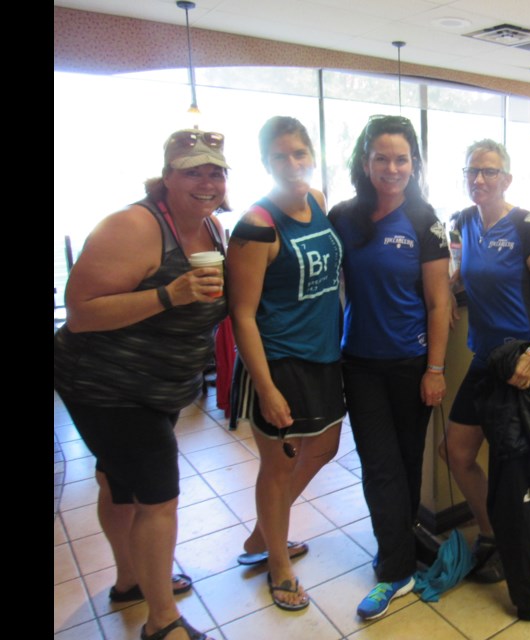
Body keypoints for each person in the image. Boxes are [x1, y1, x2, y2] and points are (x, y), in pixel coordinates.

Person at [53, 130, 229, 640]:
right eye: (192, 170)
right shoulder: (133, 225)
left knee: (120, 483)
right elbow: (81, 313)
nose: (206, 181)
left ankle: (131, 582)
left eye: (215, 171)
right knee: (159, 498)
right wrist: (168, 296)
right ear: (167, 176)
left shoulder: (211, 228)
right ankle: (161, 622)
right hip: (107, 385)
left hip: (161, 384)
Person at [328, 115, 450, 621]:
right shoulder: (343, 216)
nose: (392, 167)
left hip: (411, 364)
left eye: (401, 158)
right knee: (379, 467)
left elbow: (439, 303)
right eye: (382, 157)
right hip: (359, 362)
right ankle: (394, 570)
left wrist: (435, 368)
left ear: (414, 164)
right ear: (365, 160)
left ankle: (398, 547)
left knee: (406, 462)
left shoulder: (426, 220)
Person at [439, 139, 530, 619]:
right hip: (483, 360)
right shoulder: (462, 222)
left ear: (506, 178)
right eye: (472, 171)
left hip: (523, 366)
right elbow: (460, 273)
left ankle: (526, 557)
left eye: (489, 172)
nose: (480, 180)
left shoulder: (528, 225)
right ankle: (493, 531)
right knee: (458, 451)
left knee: (517, 474)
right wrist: (445, 290)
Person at [226, 116, 345, 611]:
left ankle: (263, 533)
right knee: (278, 467)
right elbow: (242, 315)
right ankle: (277, 562)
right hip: (278, 362)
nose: (293, 164)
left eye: (300, 153)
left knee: (326, 446)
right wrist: (267, 387)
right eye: (281, 157)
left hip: (323, 354)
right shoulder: (257, 225)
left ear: (312, 154)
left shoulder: (316, 201)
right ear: (266, 163)